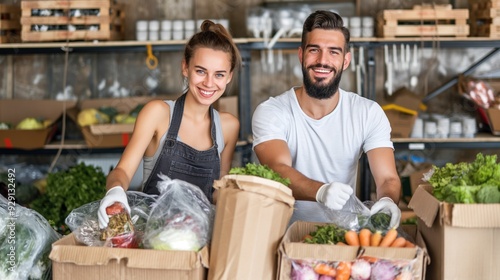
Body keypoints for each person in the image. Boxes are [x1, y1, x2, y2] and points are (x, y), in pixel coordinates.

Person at [251, 10, 401, 228]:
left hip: (343, 236)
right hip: (283, 234)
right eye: (314, 50)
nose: (323, 61)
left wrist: (388, 201)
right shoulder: (272, 111)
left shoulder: (367, 112)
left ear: (346, 60)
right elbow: (277, 168)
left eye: (334, 52)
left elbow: (387, 178)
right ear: (301, 55)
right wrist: (320, 191)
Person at [97, 20, 241, 229]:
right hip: (154, 238)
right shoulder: (158, 114)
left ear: (229, 77)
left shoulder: (228, 126)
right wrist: (115, 192)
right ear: (185, 67)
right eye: (200, 71)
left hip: (200, 242)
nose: (209, 83)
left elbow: (219, 191)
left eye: (219, 74)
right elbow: (122, 172)